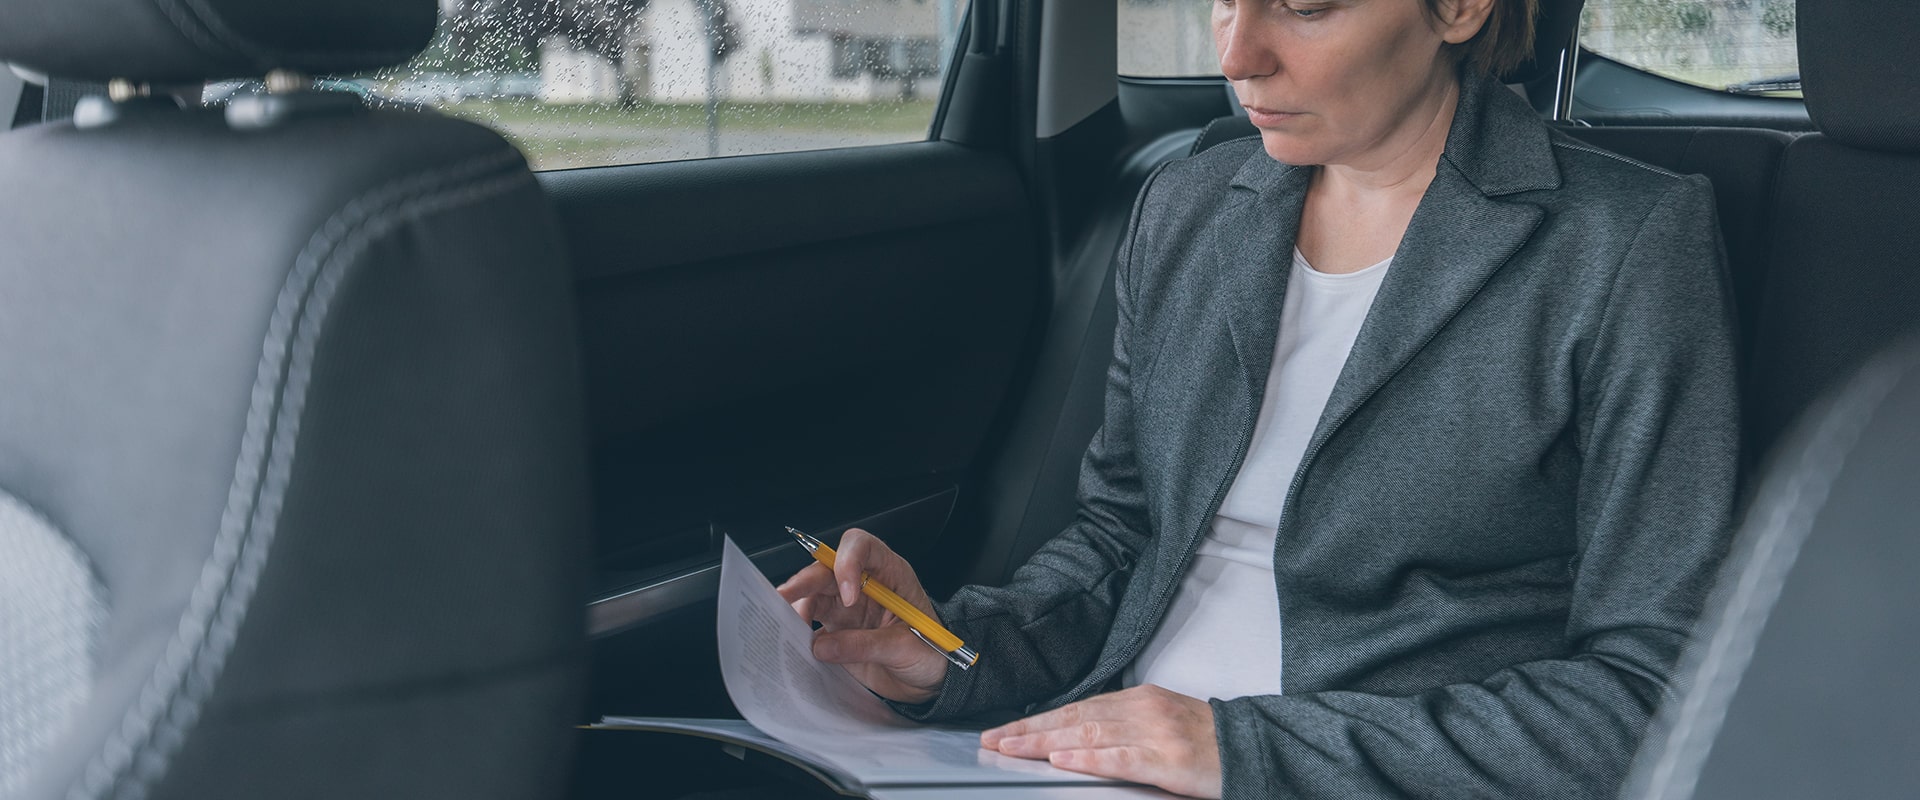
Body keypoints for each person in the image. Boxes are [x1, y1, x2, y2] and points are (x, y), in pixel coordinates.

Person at [777, 0, 1740, 797]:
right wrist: (952, 648)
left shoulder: (1625, 245)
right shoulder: (1189, 205)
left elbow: (1650, 690)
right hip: (1092, 759)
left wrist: (1246, 751)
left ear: (1457, 8)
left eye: (1305, 6)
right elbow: (1121, 541)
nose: (1237, 54)